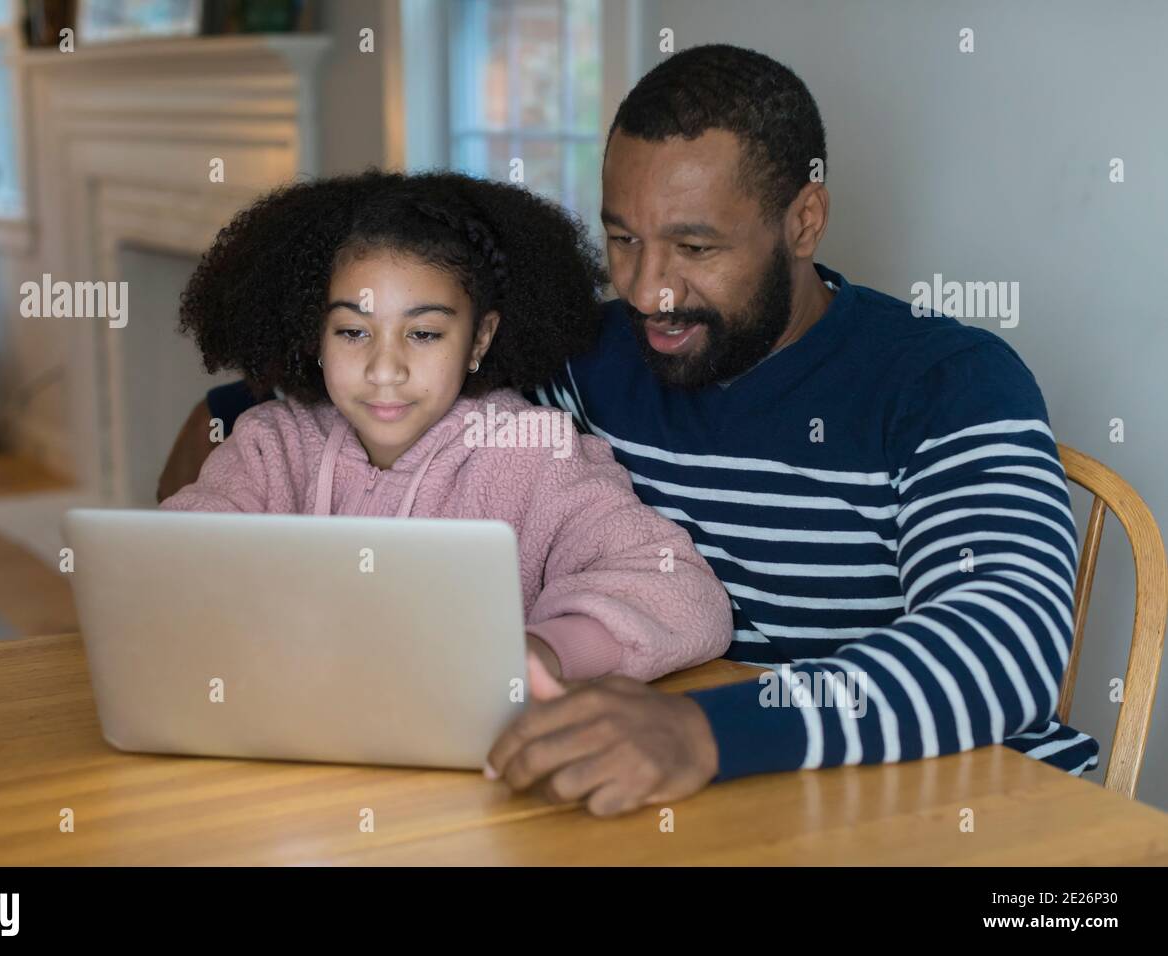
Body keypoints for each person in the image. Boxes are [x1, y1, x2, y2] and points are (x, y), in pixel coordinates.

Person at [159, 45, 1098, 817]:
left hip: (955, 803)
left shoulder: (943, 383)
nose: (649, 290)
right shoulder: (586, 356)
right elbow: (345, 402)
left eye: (695, 248)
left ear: (804, 220)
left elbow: (1003, 647)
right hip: (702, 798)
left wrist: (709, 732)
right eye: (621, 239)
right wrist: (222, 456)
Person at [160, 169, 733, 684]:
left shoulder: (533, 456)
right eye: (354, 332)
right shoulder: (269, 447)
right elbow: (170, 568)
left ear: (479, 338)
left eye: (425, 333)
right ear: (315, 334)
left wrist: (544, 652)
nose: (386, 369)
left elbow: (686, 595)